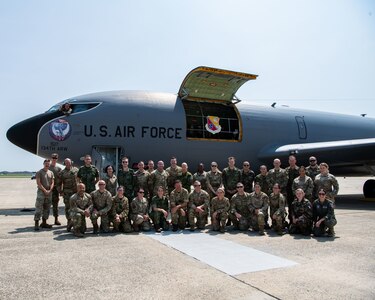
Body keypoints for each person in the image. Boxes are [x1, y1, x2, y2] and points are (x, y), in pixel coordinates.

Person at [34, 159, 55, 230]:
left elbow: (52, 182)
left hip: (49, 192)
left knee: (47, 208)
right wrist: (45, 190)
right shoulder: (39, 172)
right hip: (41, 192)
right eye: (46, 163)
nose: (47, 165)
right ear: (43, 164)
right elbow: (38, 183)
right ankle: (36, 223)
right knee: (39, 208)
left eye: (48, 164)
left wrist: (50, 190)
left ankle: (44, 223)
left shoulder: (51, 173)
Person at [59, 158, 78, 232]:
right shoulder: (62, 172)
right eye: (66, 163)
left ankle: (75, 221)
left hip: (75, 192)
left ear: (71, 163)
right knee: (68, 207)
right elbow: (59, 183)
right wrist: (60, 191)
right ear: (64, 163)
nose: (68, 164)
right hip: (67, 192)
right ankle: (69, 221)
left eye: (69, 162)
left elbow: (80, 179)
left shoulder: (76, 170)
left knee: (76, 207)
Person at [49, 153, 62, 225]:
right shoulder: (48, 167)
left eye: (55, 158)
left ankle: (56, 219)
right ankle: (44, 220)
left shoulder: (59, 169)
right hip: (48, 188)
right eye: (53, 158)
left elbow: (61, 180)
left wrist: (60, 189)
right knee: (46, 204)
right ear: (51, 158)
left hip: (56, 189)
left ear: (57, 159)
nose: (54, 159)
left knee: (55, 205)